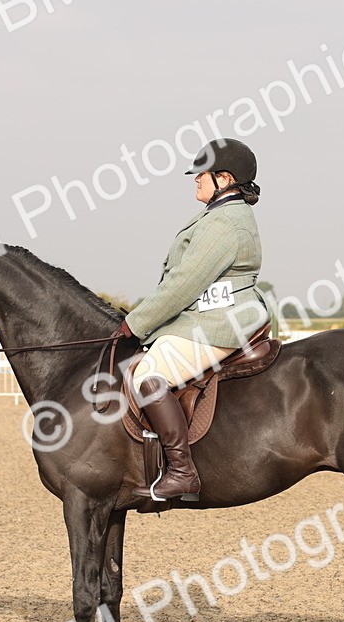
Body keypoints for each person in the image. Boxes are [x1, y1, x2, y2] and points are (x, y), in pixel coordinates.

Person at [114, 138, 269, 502]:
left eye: (203, 173)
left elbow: (184, 284)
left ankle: (182, 472)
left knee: (147, 375)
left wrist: (135, 324)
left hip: (221, 322)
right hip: (209, 317)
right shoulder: (219, 215)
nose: (195, 178)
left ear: (225, 179)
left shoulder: (226, 222)